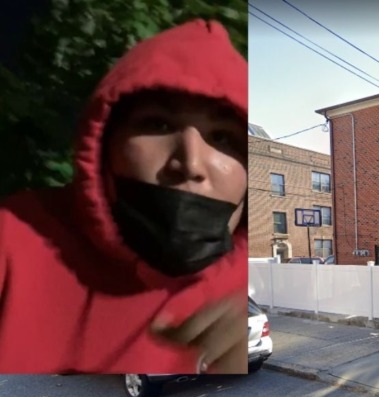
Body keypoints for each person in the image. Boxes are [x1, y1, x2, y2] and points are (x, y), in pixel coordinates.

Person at [0, 19, 249, 374]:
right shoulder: (14, 236)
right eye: (158, 125)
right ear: (104, 145)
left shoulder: (247, 296)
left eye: (223, 138)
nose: (191, 163)